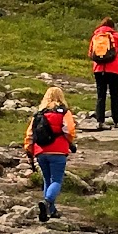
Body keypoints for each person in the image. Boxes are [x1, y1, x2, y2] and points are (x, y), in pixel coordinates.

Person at [24, 84, 77, 222]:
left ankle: (50, 211)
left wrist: (29, 150)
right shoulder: (64, 112)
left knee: (47, 179)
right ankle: (47, 202)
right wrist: (70, 142)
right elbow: (69, 130)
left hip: (41, 152)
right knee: (56, 180)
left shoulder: (38, 114)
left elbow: (30, 134)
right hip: (58, 151)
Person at [88, 15, 118, 127]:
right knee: (114, 95)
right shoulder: (116, 36)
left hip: (98, 69)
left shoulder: (95, 36)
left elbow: (90, 53)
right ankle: (117, 121)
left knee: (101, 95)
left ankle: (100, 122)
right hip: (114, 70)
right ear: (113, 26)